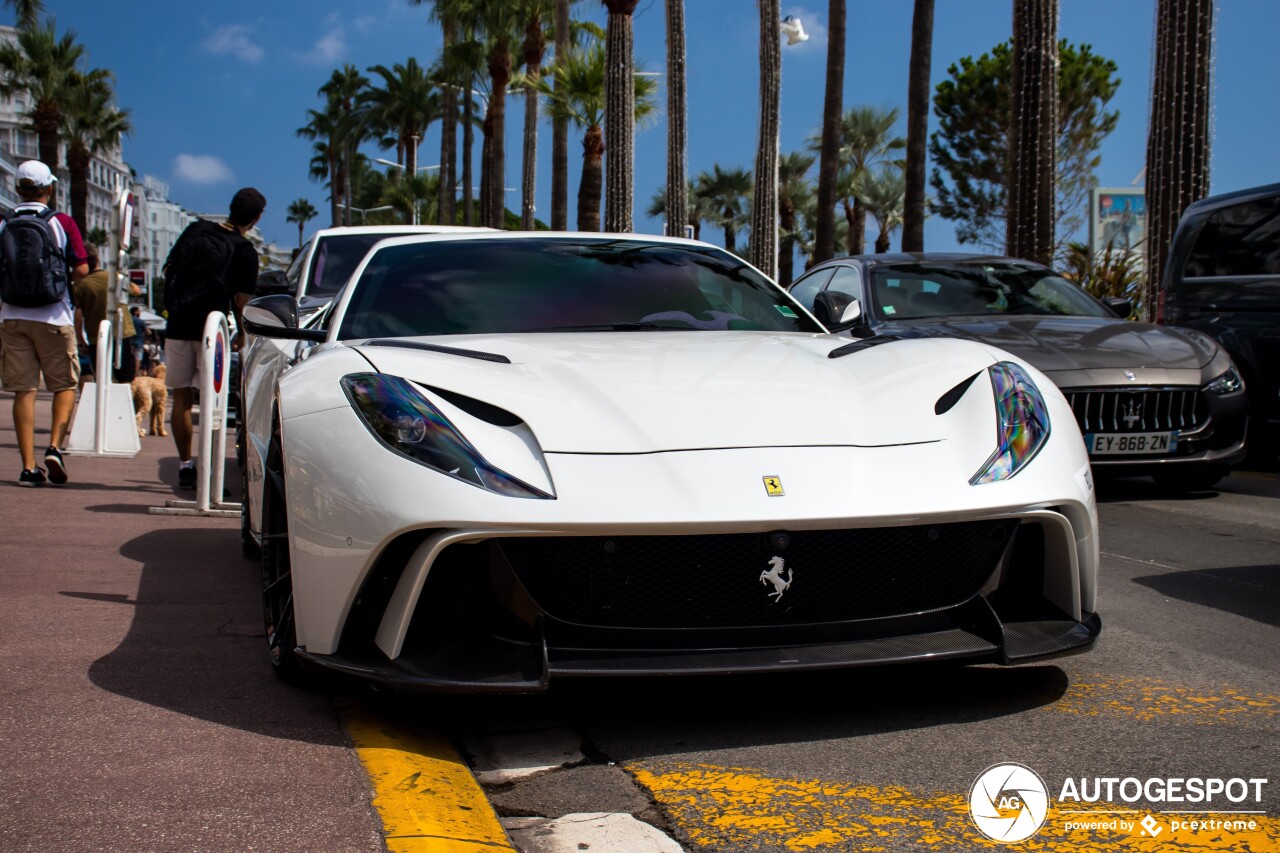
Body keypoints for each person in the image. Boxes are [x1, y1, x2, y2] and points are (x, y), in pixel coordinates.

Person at [163, 187, 264, 489]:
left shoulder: (196, 229)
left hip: (178, 323)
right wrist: (242, 335)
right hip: (212, 329)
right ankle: (209, 473)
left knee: (180, 397)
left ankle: (185, 465)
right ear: (257, 218)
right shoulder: (245, 251)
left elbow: (169, 268)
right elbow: (242, 301)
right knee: (211, 400)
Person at [0, 160, 89, 485]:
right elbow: (80, 269)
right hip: (54, 314)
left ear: (17, 188)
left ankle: (27, 467)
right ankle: (54, 447)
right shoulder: (60, 222)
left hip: (12, 315)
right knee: (64, 385)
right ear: (49, 189)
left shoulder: (4, 222)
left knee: (23, 391)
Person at [74, 245, 141, 384]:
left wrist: (80, 340)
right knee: (126, 378)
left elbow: (78, 317)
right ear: (98, 259)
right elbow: (136, 290)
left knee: (102, 377)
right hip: (122, 333)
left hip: (96, 336)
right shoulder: (114, 277)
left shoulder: (80, 285)